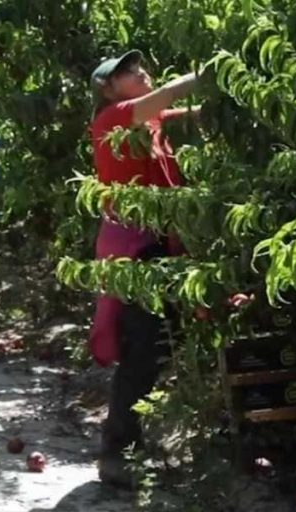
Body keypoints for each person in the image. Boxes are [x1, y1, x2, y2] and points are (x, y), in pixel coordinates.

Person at [87, 50, 201, 487]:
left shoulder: (148, 121)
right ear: (108, 89)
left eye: (137, 67)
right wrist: (212, 72)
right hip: (134, 249)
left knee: (159, 344)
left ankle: (131, 438)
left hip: (160, 243)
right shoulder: (113, 119)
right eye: (127, 73)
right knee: (142, 346)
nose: (140, 73)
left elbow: (187, 109)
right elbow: (174, 94)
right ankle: (116, 449)